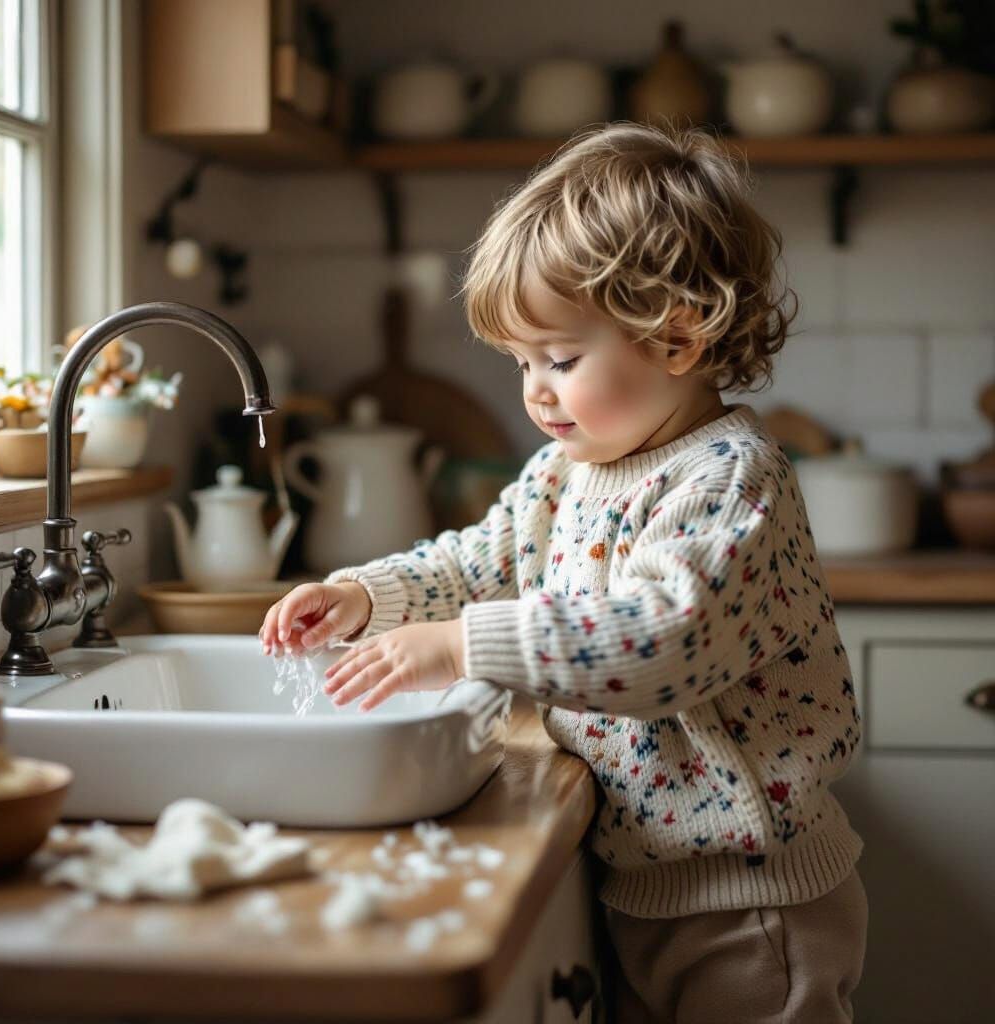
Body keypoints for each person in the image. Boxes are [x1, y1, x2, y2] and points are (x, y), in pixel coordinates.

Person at [259, 122, 868, 1023]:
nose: (534, 391)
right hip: (649, 882)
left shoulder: (732, 480)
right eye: (521, 364)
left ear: (679, 336)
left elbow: (664, 639)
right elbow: (480, 560)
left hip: (751, 903)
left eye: (561, 359)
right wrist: (366, 596)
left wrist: (462, 647)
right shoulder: (567, 471)